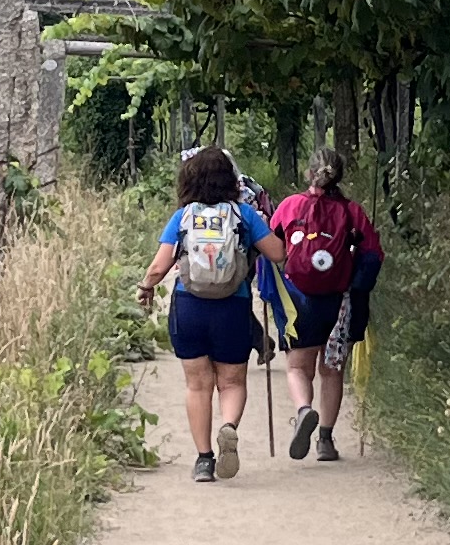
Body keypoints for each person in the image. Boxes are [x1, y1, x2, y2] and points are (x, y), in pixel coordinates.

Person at [139, 144, 287, 484]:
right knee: (232, 381)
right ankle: (228, 426)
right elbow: (278, 253)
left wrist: (146, 287)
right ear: (231, 179)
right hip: (232, 307)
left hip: (189, 306)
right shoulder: (244, 215)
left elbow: (160, 266)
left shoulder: (183, 216)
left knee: (197, 385)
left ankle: (204, 460)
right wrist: (264, 229)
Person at [270, 149, 381, 463]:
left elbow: (271, 248)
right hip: (339, 301)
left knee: (297, 367)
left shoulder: (290, 206)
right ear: (340, 176)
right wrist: (356, 289)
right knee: (332, 371)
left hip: (298, 300)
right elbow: (372, 255)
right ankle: (326, 441)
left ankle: (304, 410)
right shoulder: (352, 211)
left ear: (309, 173)